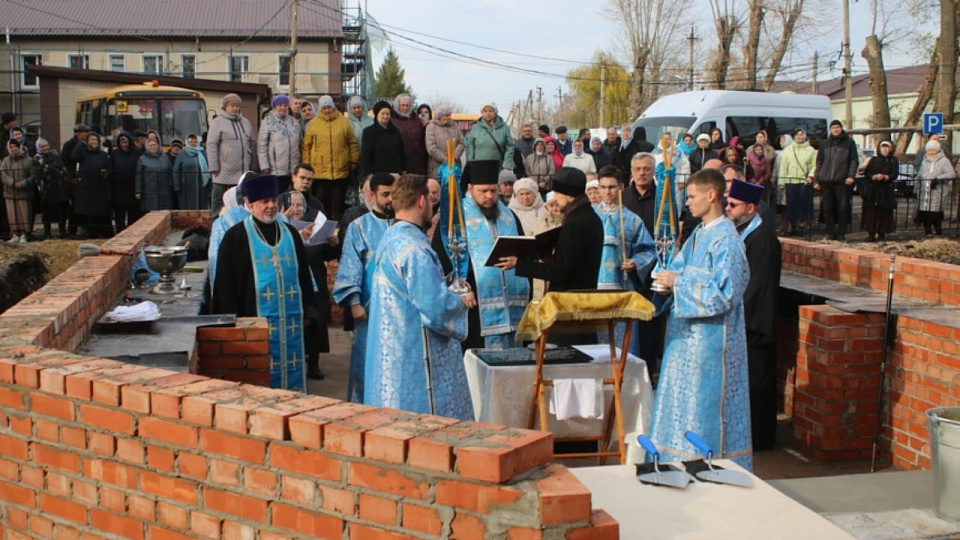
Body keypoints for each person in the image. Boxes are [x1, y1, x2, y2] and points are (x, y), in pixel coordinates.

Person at [649, 168, 752, 470]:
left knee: (703, 409)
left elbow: (725, 294)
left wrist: (678, 283)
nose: (688, 202)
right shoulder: (697, 234)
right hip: (683, 341)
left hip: (712, 346)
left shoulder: (728, 242)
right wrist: (664, 280)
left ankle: (706, 466)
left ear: (712, 195)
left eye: (692, 196)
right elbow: (677, 267)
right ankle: (675, 464)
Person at [364, 174, 476, 418]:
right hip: (413, 355)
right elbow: (435, 308)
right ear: (422, 201)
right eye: (431, 201)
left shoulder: (391, 237)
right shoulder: (415, 249)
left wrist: (447, 284)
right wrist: (460, 300)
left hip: (393, 348)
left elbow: (411, 290)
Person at [211, 174, 318, 391]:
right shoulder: (235, 237)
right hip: (252, 319)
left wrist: (308, 309)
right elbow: (224, 285)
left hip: (290, 322)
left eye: (274, 200)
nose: (271, 206)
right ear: (249, 204)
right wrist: (231, 322)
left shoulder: (290, 234)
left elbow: (303, 275)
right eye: (264, 202)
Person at [432, 160, 530, 350]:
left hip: (513, 308)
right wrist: (459, 288)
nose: (489, 196)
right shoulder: (455, 219)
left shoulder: (509, 216)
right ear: (470, 188)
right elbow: (441, 260)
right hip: (474, 307)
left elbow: (522, 252)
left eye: (493, 190)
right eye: (483, 191)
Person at [725, 178, 781, 452]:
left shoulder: (763, 237)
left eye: (733, 205)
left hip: (757, 321)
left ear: (750, 208)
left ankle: (761, 438)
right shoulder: (747, 232)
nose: (728, 209)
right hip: (749, 318)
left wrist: (737, 313)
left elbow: (757, 285)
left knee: (759, 383)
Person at [331, 173, 396, 402]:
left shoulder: (403, 224)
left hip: (399, 309)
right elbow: (350, 265)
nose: (391, 199)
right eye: (385, 194)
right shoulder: (359, 227)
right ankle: (364, 405)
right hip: (369, 308)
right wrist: (355, 303)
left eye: (394, 194)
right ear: (372, 195)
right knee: (367, 360)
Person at [594, 166, 657, 356]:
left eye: (612, 187)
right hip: (593, 289)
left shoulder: (632, 219)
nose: (607, 192)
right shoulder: (590, 216)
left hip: (623, 286)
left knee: (623, 342)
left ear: (621, 187)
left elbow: (648, 249)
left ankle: (624, 372)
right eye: (603, 187)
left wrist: (635, 262)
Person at [516, 167, 603, 293]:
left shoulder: (575, 224)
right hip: (585, 296)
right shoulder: (592, 217)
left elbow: (560, 272)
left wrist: (519, 264)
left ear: (569, 194)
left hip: (569, 298)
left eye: (557, 193)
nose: (554, 198)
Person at [302, 95, 359, 220]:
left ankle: (337, 224)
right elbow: (307, 147)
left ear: (333, 107)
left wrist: (354, 160)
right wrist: (306, 166)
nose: (327, 110)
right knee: (322, 203)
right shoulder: (313, 124)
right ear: (320, 109)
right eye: (324, 108)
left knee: (338, 203)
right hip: (319, 172)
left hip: (340, 171)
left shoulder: (343, 121)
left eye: (329, 107)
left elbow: (352, 142)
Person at [208, 94, 256, 216]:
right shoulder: (217, 122)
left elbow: (252, 144)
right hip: (223, 169)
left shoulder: (245, 122)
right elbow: (212, 144)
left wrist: (253, 165)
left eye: (237, 106)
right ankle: (216, 220)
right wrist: (214, 167)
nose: (235, 108)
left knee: (239, 200)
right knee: (219, 199)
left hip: (241, 170)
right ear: (225, 107)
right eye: (232, 105)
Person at [814, 120, 858, 240]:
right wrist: (816, 179)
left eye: (837, 127)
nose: (835, 129)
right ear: (830, 129)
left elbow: (853, 161)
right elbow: (819, 162)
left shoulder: (849, 143)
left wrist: (851, 176)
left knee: (842, 208)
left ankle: (841, 232)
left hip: (842, 180)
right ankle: (830, 232)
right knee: (827, 208)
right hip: (826, 180)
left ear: (841, 128)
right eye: (833, 127)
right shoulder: (825, 143)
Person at [258, 94, 302, 194]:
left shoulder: (294, 122)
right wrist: (264, 166)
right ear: (274, 107)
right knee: (277, 196)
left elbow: (300, 143)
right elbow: (262, 145)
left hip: (293, 170)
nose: (283, 108)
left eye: (285, 105)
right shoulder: (268, 122)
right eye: (280, 105)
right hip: (275, 170)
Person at [72, 132, 114, 238]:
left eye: (96, 140)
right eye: (91, 140)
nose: (94, 142)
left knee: (101, 213)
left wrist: (106, 173)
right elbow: (74, 156)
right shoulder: (83, 154)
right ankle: (89, 233)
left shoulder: (103, 155)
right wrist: (82, 142)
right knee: (88, 212)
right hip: (87, 188)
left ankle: (102, 233)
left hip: (100, 187)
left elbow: (110, 169)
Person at [778, 128, 817, 235]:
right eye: (797, 135)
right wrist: (781, 182)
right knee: (791, 205)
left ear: (805, 136)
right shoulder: (788, 150)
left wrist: (810, 177)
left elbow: (814, 166)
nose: (799, 137)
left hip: (804, 181)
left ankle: (802, 226)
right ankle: (793, 227)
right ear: (794, 137)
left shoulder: (810, 150)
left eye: (801, 134)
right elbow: (783, 167)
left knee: (803, 205)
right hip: (790, 181)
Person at [861, 140, 899, 241]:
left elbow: (895, 174)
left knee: (884, 212)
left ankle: (882, 233)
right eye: (883, 147)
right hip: (873, 189)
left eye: (887, 147)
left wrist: (885, 176)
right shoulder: (873, 160)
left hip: (885, 190)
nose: (885, 150)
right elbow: (867, 172)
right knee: (871, 212)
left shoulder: (893, 160)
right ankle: (871, 233)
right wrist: (874, 176)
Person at [916, 140, 955, 237]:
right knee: (924, 213)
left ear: (937, 150)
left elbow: (951, 174)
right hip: (924, 191)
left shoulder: (944, 161)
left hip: (937, 192)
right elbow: (920, 175)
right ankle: (928, 233)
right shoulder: (924, 161)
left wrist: (938, 179)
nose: (930, 152)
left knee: (934, 214)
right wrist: (916, 188)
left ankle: (938, 232)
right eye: (929, 150)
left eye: (933, 150)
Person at [33, 138, 70, 239]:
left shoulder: (55, 155)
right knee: (47, 213)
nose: (45, 148)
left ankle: (62, 231)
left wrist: (62, 173)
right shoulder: (37, 159)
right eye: (42, 146)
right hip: (46, 189)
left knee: (61, 212)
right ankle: (47, 233)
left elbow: (62, 167)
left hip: (59, 187)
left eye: (46, 146)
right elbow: (37, 175)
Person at [1, 139, 36, 242]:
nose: (14, 149)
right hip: (10, 192)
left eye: (15, 146)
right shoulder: (6, 160)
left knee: (24, 213)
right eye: (11, 147)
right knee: (12, 214)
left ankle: (24, 234)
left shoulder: (29, 160)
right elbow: (2, 174)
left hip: (24, 192)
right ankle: (15, 234)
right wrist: (12, 182)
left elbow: (33, 175)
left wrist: (21, 184)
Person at [361, 101, 406, 179]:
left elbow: (401, 151)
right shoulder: (369, 132)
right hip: (377, 174)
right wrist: (369, 174)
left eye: (387, 114)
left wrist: (404, 169)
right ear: (377, 114)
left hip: (395, 173)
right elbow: (366, 156)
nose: (385, 116)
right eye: (382, 114)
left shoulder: (395, 131)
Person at [108, 131, 142, 233]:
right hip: (118, 188)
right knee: (119, 215)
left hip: (132, 187)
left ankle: (132, 233)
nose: (124, 145)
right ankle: (120, 233)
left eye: (125, 142)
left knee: (133, 214)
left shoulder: (137, 153)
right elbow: (111, 169)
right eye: (121, 143)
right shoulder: (114, 154)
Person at [465, 102, 514, 171]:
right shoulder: (476, 128)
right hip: (479, 167)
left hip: (499, 167)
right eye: (485, 111)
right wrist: (471, 164)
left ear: (495, 112)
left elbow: (510, 147)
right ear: (482, 113)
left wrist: (507, 165)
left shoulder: (504, 128)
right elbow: (470, 147)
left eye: (490, 111)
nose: (488, 113)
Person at [391, 94, 428, 175]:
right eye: (402, 105)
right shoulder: (392, 119)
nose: (405, 108)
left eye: (407, 105)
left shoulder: (416, 118)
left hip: (418, 161)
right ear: (397, 105)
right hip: (402, 161)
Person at [621, 153, 657, 234]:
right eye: (637, 169)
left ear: (654, 171)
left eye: (646, 169)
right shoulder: (622, 197)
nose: (641, 173)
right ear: (632, 171)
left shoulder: (663, 197)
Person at [425, 105, 464, 180]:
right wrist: (445, 160)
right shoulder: (431, 127)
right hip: (437, 167)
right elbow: (431, 148)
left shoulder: (455, 126)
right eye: (446, 115)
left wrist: (454, 157)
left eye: (450, 115)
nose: (449, 117)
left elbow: (461, 142)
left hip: (454, 165)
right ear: (440, 116)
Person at [174, 134, 211, 210]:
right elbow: (176, 171)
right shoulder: (182, 154)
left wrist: (210, 185)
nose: (192, 143)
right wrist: (177, 186)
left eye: (194, 142)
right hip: (186, 187)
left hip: (202, 186)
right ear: (187, 142)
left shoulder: (203, 153)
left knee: (202, 208)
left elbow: (208, 168)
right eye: (190, 142)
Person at [136, 138, 174, 211]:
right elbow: (139, 176)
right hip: (149, 193)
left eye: (154, 145)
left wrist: (171, 185)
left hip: (165, 192)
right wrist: (138, 191)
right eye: (150, 145)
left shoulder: (165, 157)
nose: (152, 147)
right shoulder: (142, 159)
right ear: (147, 147)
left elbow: (171, 172)